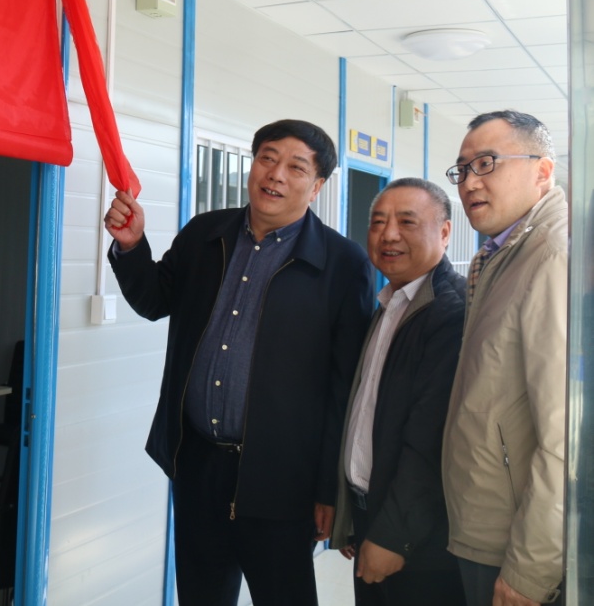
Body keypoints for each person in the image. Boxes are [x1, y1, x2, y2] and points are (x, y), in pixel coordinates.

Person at [105, 119, 374, 606]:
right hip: (198, 464)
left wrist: (328, 489)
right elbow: (154, 300)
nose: (276, 174)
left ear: (316, 186)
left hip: (281, 479)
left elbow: (345, 389)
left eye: (296, 167)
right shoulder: (205, 234)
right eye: (267, 158)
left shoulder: (343, 263)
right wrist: (131, 246)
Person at [442, 110, 565, 606]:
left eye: (487, 163)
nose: (469, 181)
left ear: (542, 171)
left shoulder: (552, 257)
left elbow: (565, 435)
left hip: (516, 544)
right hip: (486, 522)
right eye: (462, 169)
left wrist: (530, 569)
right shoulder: (499, 254)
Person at [332, 178, 466, 605]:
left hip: (417, 541)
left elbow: (430, 439)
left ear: (445, 232)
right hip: (374, 515)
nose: (388, 234)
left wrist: (393, 535)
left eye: (407, 222)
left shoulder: (451, 312)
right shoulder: (391, 303)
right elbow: (368, 412)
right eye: (377, 222)